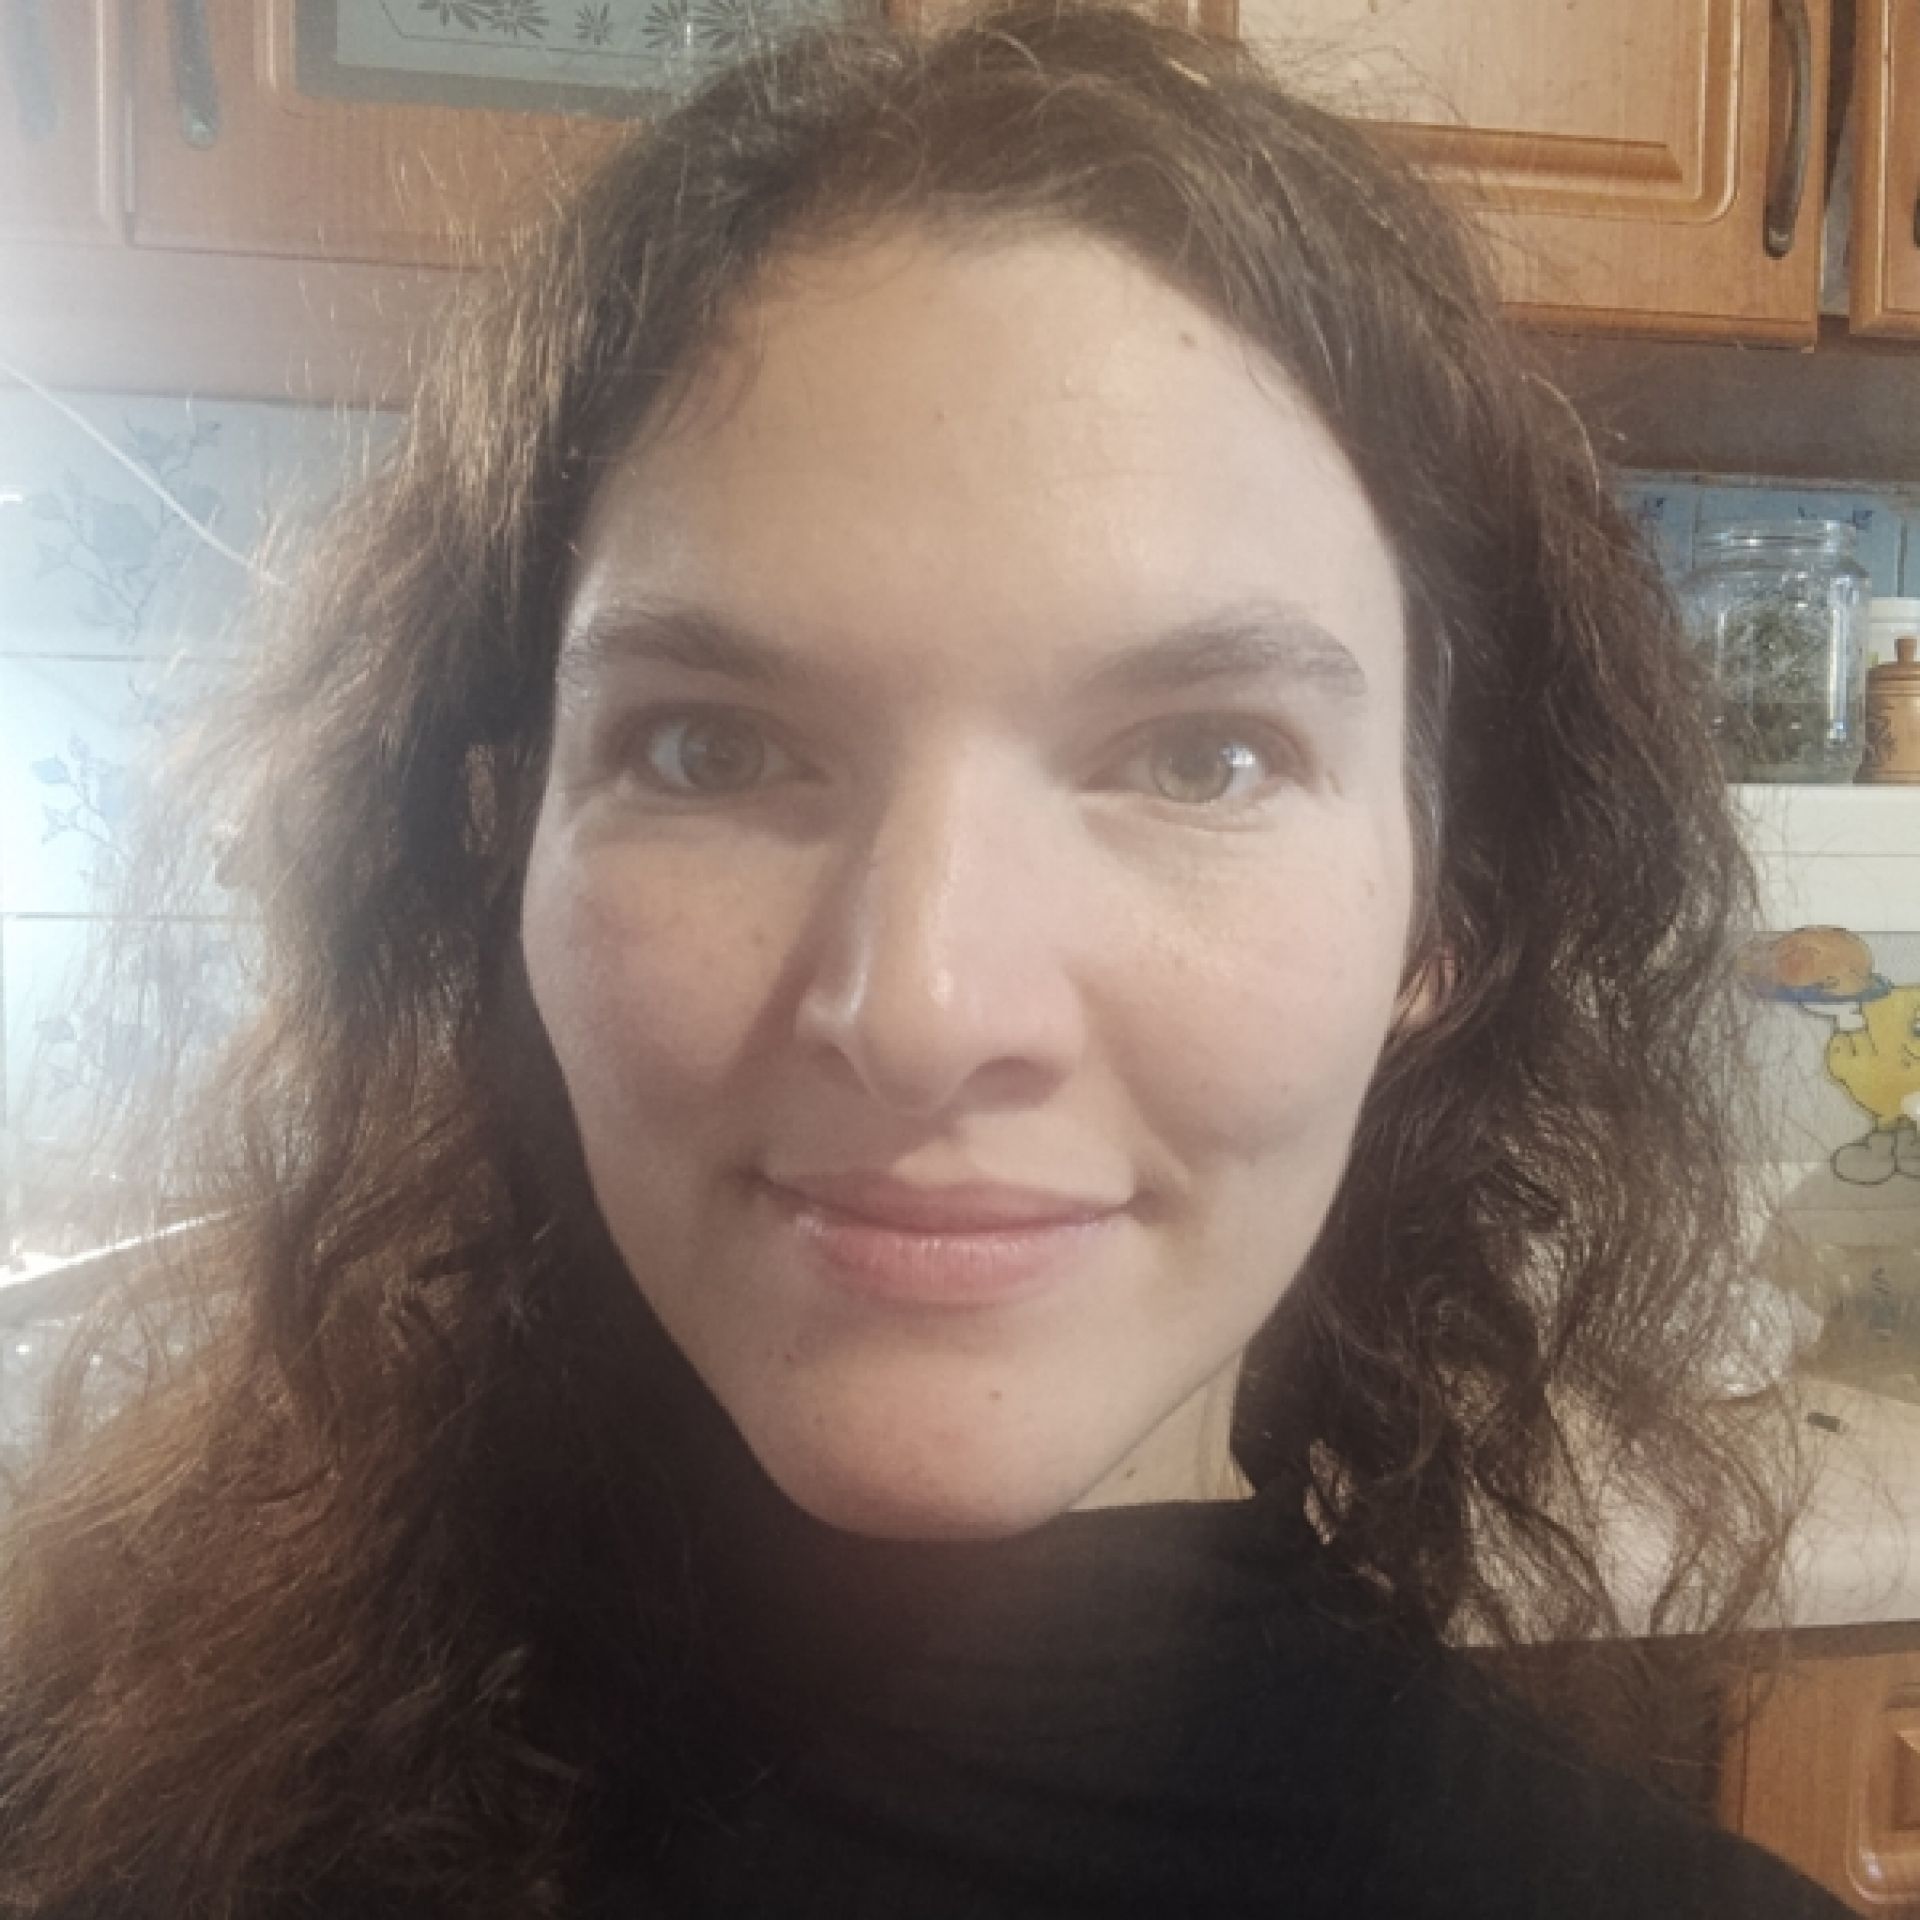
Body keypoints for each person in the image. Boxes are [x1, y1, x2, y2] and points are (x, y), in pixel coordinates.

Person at [0, 2, 1848, 1914]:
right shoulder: (96, 1802)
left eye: (1201, 758)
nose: (922, 1014)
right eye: (711, 749)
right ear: (500, 848)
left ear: (1446, 910)